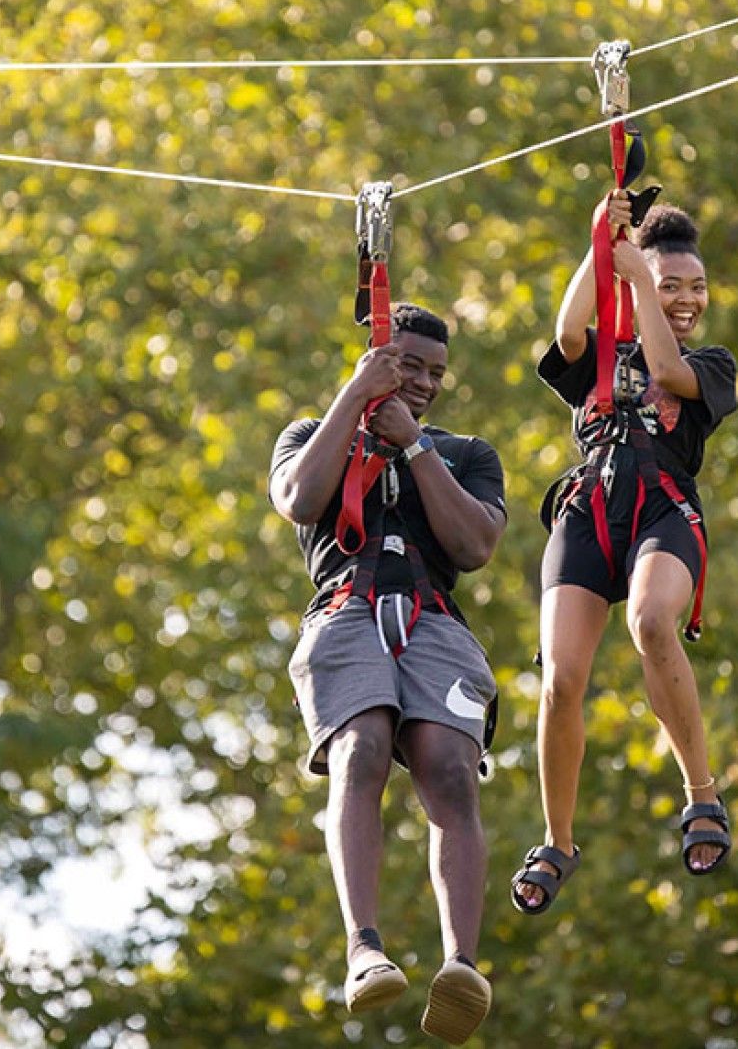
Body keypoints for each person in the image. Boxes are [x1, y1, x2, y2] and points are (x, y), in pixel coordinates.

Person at [269, 303, 506, 1045]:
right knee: (363, 746)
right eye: (409, 365)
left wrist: (415, 449)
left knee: (450, 770)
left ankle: (461, 964)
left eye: (436, 372)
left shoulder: (467, 454)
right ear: (376, 357)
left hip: (434, 622)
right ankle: (363, 946)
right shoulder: (312, 434)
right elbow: (301, 499)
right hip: (346, 612)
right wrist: (357, 399)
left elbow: (473, 545)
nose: (426, 382)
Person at [511, 193, 738, 915]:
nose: (687, 299)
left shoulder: (712, 364)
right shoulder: (600, 357)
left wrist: (640, 279)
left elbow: (669, 374)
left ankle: (701, 792)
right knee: (561, 679)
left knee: (649, 622)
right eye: (673, 285)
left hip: (662, 509)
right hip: (588, 513)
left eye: (696, 287)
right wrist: (598, 241)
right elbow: (568, 328)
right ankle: (558, 838)